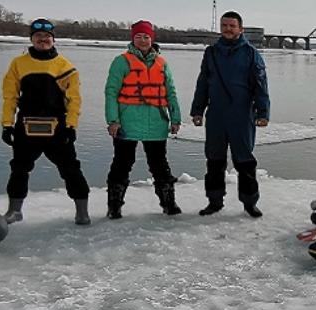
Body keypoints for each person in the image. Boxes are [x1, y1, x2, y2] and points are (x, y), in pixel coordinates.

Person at [1, 18, 91, 225]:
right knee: (19, 169)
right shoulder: (18, 64)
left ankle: (81, 212)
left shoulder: (65, 66)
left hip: (57, 127)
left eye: (47, 37)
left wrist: (71, 126)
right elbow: (10, 97)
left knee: (71, 170)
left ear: (53, 39)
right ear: (32, 39)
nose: (43, 40)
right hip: (26, 126)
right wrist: (7, 124)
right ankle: (14, 211)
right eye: (38, 37)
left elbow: (74, 100)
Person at [189, 10, 270, 217]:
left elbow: (261, 86)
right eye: (224, 25)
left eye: (232, 26)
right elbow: (202, 83)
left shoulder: (251, 54)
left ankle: (250, 203)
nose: (228, 29)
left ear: (240, 29)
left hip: (242, 115)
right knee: (214, 160)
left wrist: (263, 112)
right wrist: (197, 110)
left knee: (245, 161)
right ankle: (214, 201)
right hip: (216, 115)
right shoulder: (211, 53)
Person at [104, 20, 183, 218]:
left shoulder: (162, 63)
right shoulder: (121, 61)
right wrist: (113, 120)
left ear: (152, 38)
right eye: (138, 36)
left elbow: (171, 92)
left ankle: (169, 204)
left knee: (159, 165)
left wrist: (175, 119)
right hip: (127, 123)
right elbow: (111, 92)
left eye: (146, 36)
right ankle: (114, 207)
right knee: (122, 164)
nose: (142, 40)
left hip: (156, 122)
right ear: (133, 39)